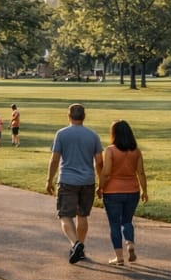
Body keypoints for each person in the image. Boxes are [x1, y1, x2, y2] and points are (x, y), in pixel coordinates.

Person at [46, 103, 104, 264]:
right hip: (88, 181)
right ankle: (80, 248)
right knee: (83, 215)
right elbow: (99, 162)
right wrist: (101, 183)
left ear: (69, 116)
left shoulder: (61, 134)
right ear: (84, 116)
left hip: (67, 180)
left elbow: (55, 159)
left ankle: (75, 243)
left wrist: (49, 179)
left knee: (65, 215)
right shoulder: (93, 135)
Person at [97, 120, 148, 266]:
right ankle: (130, 243)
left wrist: (100, 187)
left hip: (113, 191)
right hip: (132, 190)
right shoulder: (136, 151)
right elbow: (141, 173)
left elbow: (106, 173)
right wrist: (144, 191)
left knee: (114, 224)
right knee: (127, 221)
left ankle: (119, 257)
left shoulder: (111, 150)